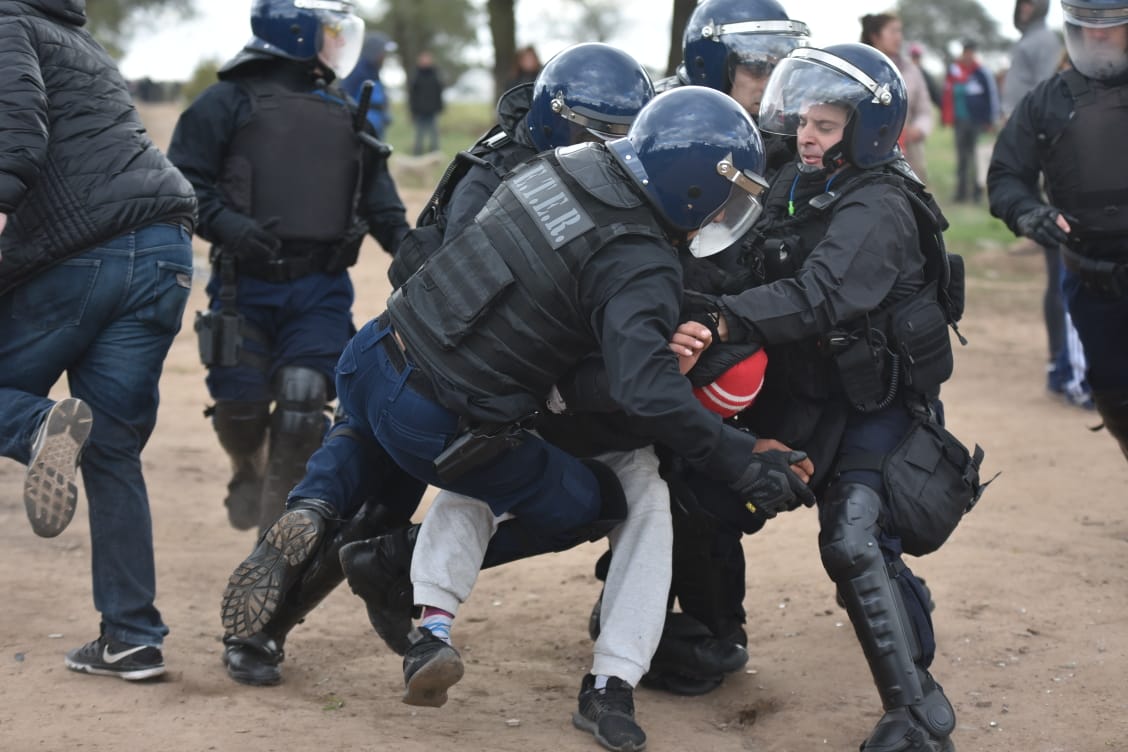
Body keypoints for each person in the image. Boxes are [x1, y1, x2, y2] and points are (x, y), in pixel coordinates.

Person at [221, 85, 814, 747]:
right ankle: (398, 562)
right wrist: (740, 461)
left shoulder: (555, 166)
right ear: (697, 192)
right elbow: (644, 388)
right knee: (595, 499)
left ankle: (308, 528)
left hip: (373, 352)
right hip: (443, 419)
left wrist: (669, 322)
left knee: (355, 453)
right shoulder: (639, 258)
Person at [216, 42, 666, 691]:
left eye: (624, 134)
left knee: (344, 478)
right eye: (599, 132)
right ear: (558, 118)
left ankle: (263, 617)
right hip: (444, 383)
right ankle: (358, 578)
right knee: (379, 517)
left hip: (386, 354)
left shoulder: (501, 154)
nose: (613, 147)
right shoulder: (521, 177)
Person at [694, 43, 988, 750]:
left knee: (853, 539)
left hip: (873, 404)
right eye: (806, 121)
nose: (808, 134)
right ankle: (704, 638)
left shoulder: (881, 202)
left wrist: (724, 319)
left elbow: (819, 295)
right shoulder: (797, 182)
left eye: (827, 125)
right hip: (802, 394)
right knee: (692, 484)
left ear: (868, 131)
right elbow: (732, 256)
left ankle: (918, 715)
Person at [0, 0, 196, 680]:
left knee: (30, 412)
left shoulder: (6, 25)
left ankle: (34, 426)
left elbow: (16, 140)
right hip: (165, 251)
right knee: (110, 444)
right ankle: (132, 636)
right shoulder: (80, 45)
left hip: (82, 257)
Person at [167, 0, 410, 536]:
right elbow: (184, 187)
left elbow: (380, 203)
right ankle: (246, 469)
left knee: (304, 400)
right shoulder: (223, 103)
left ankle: (270, 550)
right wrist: (229, 226)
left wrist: (413, 251)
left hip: (320, 289)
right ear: (296, 34)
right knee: (241, 408)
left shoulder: (347, 109)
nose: (337, 44)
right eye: (329, 32)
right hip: (242, 289)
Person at [988, 0, 1128, 462]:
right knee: (1114, 398)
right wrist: (1028, 212)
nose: (1099, 36)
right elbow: (1006, 174)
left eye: (1112, 26)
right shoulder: (1047, 101)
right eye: (1089, 27)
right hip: (1093, 283)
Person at [861, 12, 934, 182]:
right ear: (875, 36)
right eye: (893, 31)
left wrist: (918, 129)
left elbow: (924, 109)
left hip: (907, 151)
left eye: (900, 31)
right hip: (866, 152)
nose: (899, 37)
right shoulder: (859, 68)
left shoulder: (911, 70)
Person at [942, 40, 1000, 203]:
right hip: (960, 121)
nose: (968, 55)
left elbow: (991, 96)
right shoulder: (954, 72)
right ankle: (961, 192)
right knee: (962, 158)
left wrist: (991, 119)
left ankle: (977, 193)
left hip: (977, 122)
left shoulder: (981, 73)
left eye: (971, 52)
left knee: (977, 157)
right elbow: (947, 94)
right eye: (966, 52)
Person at [342, 31, 396, 139]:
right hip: (362, 129)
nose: (384, 56)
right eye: (383, 52)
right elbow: (346, 97)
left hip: (377, 126)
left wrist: (385, 114)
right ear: (374, 51)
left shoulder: (375, 71)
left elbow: (379, 97)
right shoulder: (357, 71)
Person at [408, 50, 445, 155]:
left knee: (434, 134)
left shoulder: (435, 74)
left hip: (432, 110)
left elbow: (439, 92)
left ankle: (435, 153)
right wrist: (413, 110)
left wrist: (440, 107)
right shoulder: (416, 75)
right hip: (420, 111)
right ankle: (417, 153)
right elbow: (412, 94)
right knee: (419, 134)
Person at [910, 43, 944, 109]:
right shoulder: (906, 73)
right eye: (914, 57)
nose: (916, 60)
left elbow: (934, 93)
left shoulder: (925, 76)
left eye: (917, 57)